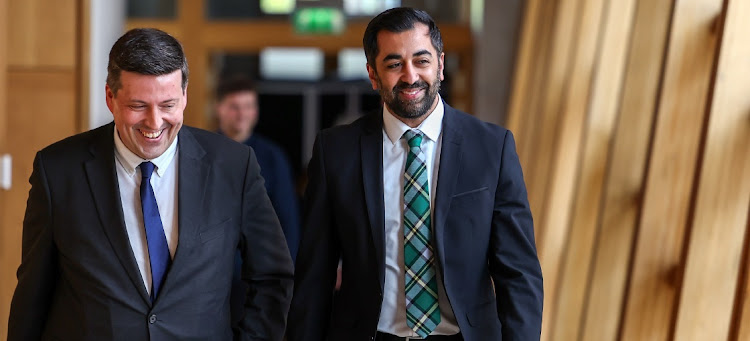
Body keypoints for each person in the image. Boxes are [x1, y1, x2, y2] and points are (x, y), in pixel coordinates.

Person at [7, 28, 293, 341]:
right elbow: (32, 296)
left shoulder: (234, 166)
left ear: (185, 95)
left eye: (168, 104)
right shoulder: (58, 170)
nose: (154, 123)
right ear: (110, 97)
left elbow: (271, 277)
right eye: (138, 106)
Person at [288, 7, 543, 341]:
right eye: (394, 64)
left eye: (421, 61)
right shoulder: (336, 152)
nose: (410, 76)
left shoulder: (492, 149)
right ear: (372, 74)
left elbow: (518, 274)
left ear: (440, 64)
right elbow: (314, 276)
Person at [214, 76, 301, 260]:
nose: (242, 114)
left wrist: (288, 272)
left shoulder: (273, 157)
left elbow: (287, 218)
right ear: (219, 108)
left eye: (248, 106)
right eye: (234, 106)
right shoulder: (202, 152)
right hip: (211, 267)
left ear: (256, 111)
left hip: (259, 268)